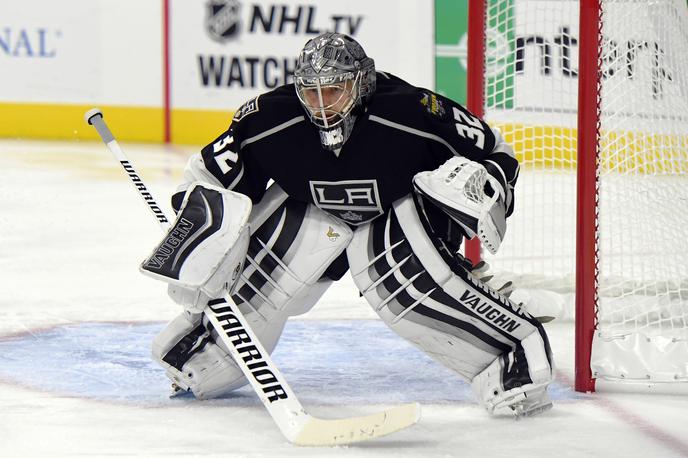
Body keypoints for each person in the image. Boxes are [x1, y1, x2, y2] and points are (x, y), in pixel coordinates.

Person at [141, 32, 554, 417]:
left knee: (401, 282)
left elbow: (494, 151)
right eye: (310, 91)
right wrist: (198, 244)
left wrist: (480, 186)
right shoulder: (270, 118)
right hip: (312, 211)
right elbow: (208, 179)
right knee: (251, 296)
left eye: (334, 90)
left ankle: (512, 354)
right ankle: (204, 352)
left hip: (397, 213)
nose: (321, 104)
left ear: (362, 83)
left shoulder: (412, 111)